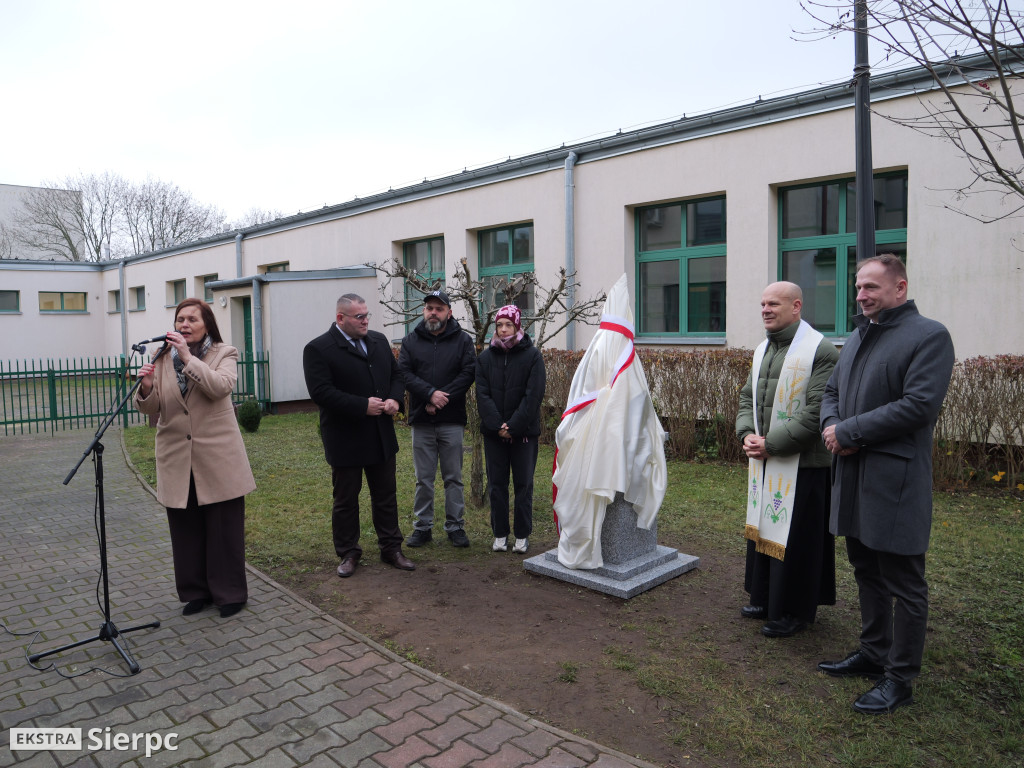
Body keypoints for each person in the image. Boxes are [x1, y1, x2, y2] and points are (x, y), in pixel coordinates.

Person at [819, 254, 955, 715]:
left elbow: (918, 406)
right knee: (865, 568)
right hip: (853, 476)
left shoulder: (929, 336)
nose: (862, 295)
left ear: (900, 288)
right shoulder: (858, 335)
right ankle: (874, 652)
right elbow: (832, 393)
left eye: (872, 287)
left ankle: (899, 679)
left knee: (904, 582)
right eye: (859, 287)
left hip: (893, 482)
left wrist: (849, 432)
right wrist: (832, 427)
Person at [135, 297, 255, 618]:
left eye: (192, 320)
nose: (184, 325)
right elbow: (153, 408)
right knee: (185, 528)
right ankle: (195, 592)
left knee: (222, 528)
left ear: (207, 325)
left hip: (217, 454)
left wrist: (188, 358)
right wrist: (146, 388)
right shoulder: (162, 358)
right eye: (180, 320)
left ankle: (229, 593)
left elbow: (220, 387)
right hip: (176, 454)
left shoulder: (224, 353)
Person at [736, 281, 839, 638]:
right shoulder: (764, 348)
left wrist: (771, 445)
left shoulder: (820, 351)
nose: (765, 309)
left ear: (796, 307)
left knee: (797, 541)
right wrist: (747, 434)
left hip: (805, 465)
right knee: (765, 530)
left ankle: (795, 610)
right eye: (763, 303)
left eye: (774, 304)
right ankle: (765, 598)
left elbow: (816, 413)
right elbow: (748, 397)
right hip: (766, 457)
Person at [302, 293, 415, 578]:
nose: (365, 321)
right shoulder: (318, 348)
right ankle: (348, 552)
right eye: (359, 317)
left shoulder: (377, 341)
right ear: (341, 318)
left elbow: (397, 374)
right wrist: (361, 405)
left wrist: (394, 399)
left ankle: (391, 548)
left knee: (386, 496)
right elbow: (321, 392)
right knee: (346, 500)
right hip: (345, 438)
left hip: (380, 436)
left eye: (367, 315)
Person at [398, 290, 476, 548]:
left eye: (439, 308)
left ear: (449, 313)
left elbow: (467, 373)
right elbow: (405, 373)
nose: (433, 312)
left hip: (452, 419)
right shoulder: (411, 341)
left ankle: (455, 526)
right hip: (421, 420)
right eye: (429, 308)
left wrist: (443, 398)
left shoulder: (462, 341)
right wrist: (430, 395)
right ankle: (422, 527)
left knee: (453, 477)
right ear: (424, 311)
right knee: (424, 478)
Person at [475, 305, 546, 554]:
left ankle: (522, 534)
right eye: (499, 325)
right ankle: (500, 533)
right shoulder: (485, 358)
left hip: (523, 432)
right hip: (494, 434)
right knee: (497, 484)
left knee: (523, 484)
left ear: (517, 326)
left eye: (508, 325)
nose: (503, 330)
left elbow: (533, 395)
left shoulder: (532, 356)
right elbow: (482, 395)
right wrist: (497, 426)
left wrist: (514, 426)